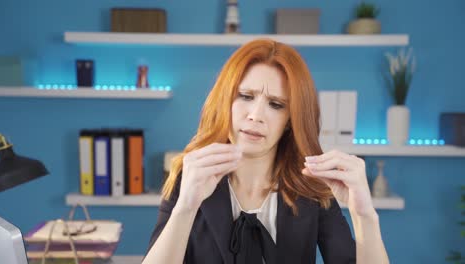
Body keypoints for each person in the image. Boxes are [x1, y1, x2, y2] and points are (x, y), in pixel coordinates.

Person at [142, 39, 389, 264]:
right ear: (224, 101)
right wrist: (185, 206)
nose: (256, 115)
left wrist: (365, 215)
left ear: (291, 119)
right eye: (245, 96)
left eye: (276, 105)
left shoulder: (312, 191)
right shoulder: (190, 176)